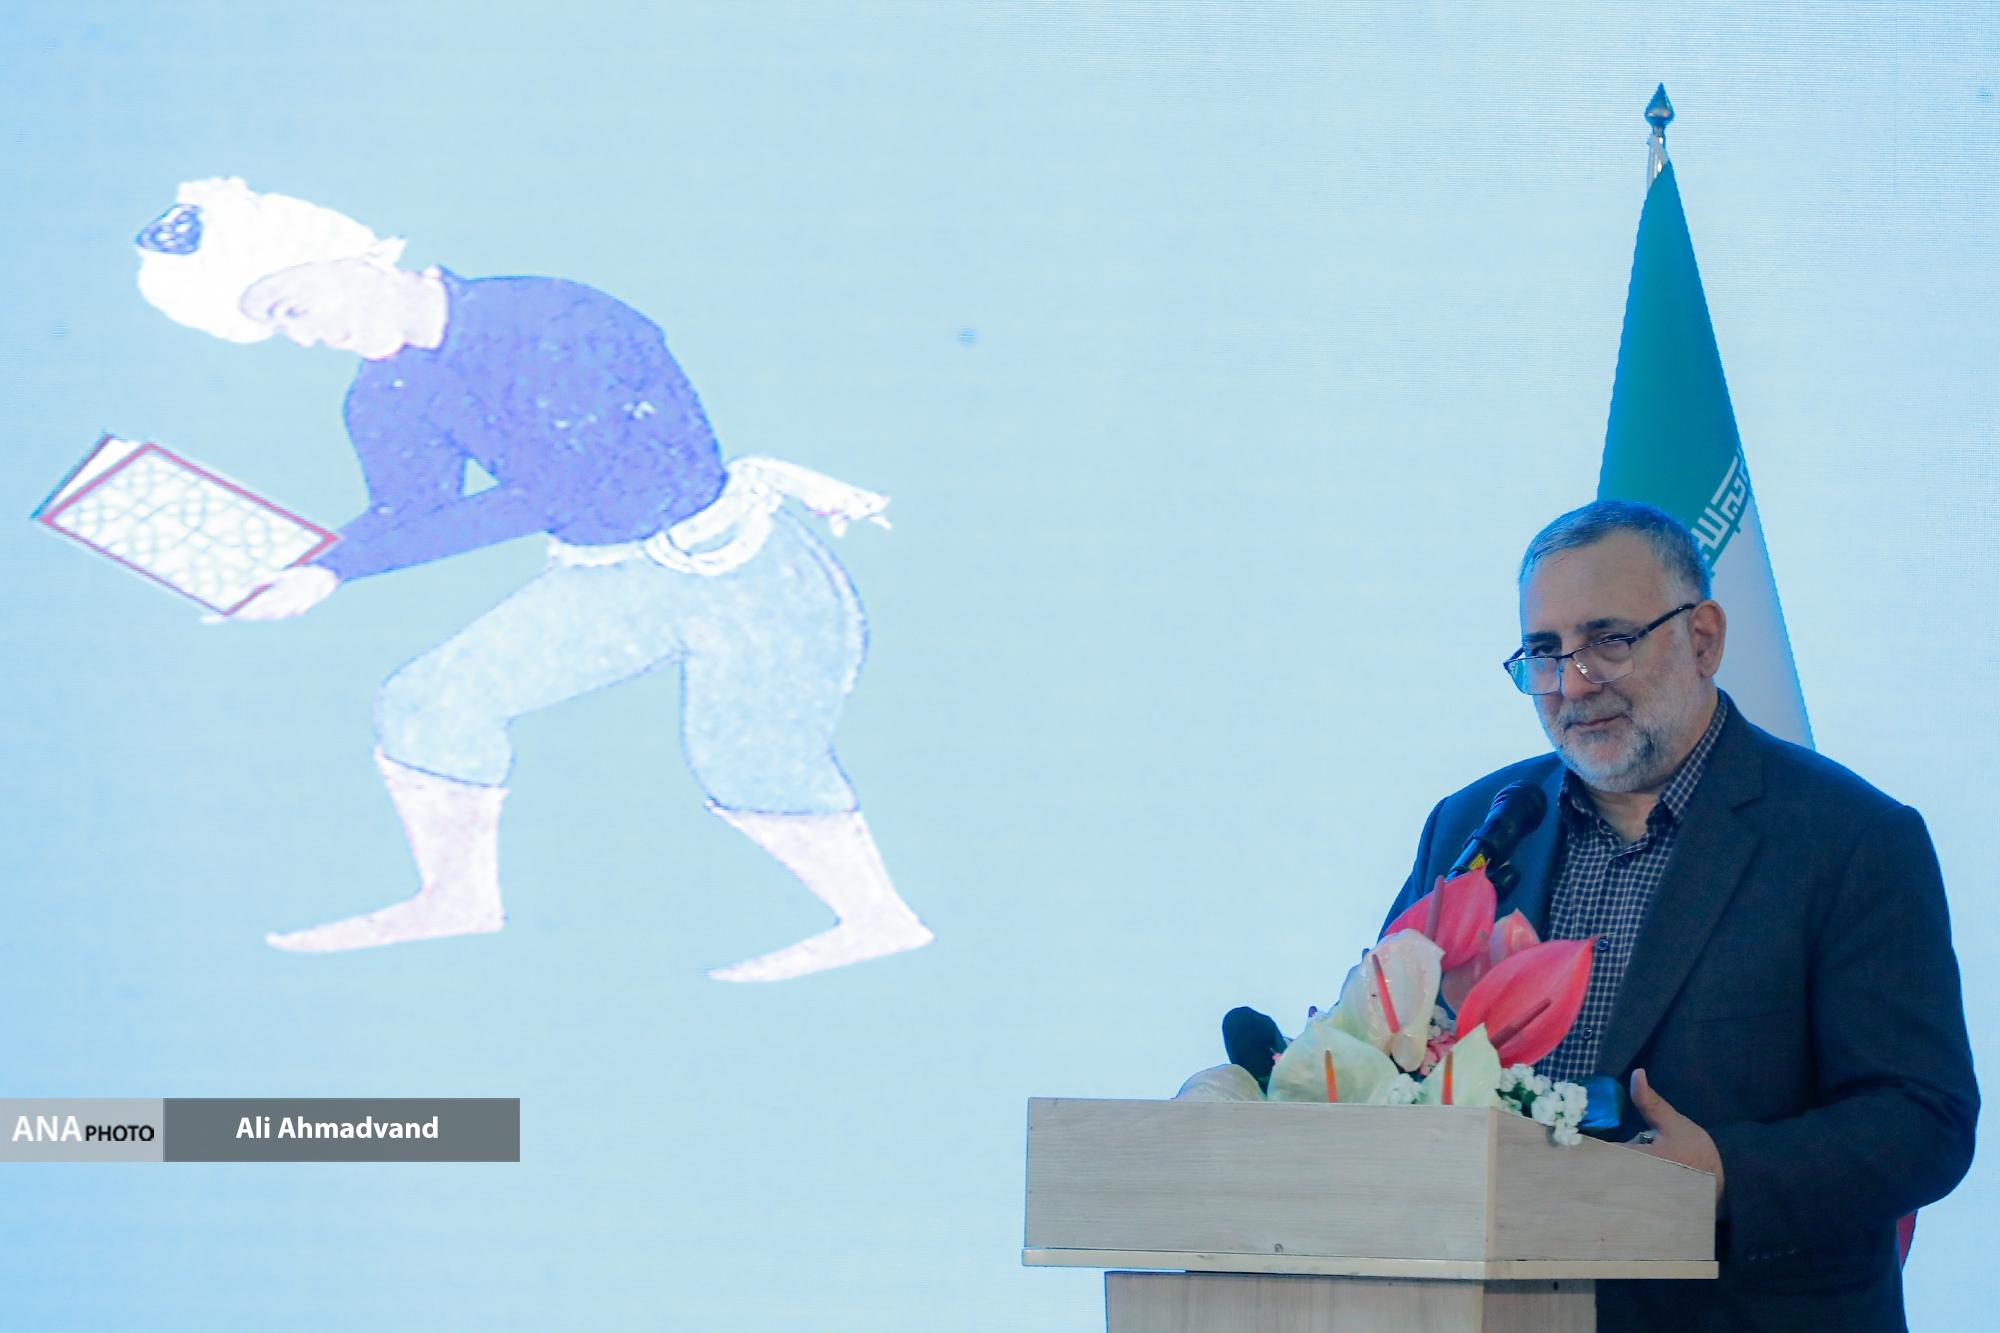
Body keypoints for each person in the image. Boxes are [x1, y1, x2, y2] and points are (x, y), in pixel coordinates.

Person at [132, 177, 931, 983]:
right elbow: (409, 508)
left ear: (342, 256)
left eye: (293, 308)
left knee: (750, 760)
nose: (305, 338)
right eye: (280, 328)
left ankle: (878, 920)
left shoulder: (550, 316)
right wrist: (311, 569)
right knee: (429, 702)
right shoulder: (384, 391)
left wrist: (337, 568)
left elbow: (562, 488)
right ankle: (455, 899)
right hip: (610, 578)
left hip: (742, 566)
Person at [1380, 500, 1976, 1331]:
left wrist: (1725, 1171)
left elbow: (1923, 1119)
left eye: (1609, 640)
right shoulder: (1475, 825)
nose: (1573, 683)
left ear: (1703, 639)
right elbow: (1382, 1034)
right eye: (1545, 651)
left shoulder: (1850, 838)